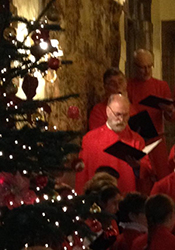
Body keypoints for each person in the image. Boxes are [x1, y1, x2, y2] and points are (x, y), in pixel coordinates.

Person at [75, 94, 154, 195]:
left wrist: (138, 166)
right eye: (118, 114)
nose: (121, 119)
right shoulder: (89, 139)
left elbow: (147, 171)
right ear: (108, 111)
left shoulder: (137, 140)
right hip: (98, 199)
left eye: (125, 115)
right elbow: (82, 175)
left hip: (126, 199)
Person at [127, 49, 175, 180]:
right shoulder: (128, 85)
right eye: (142, 67)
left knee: (162, 176)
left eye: (149, 66)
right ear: (134, 66)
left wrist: (169, 110)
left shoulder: (161, 86)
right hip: (137, 138)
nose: (147, 70)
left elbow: (171, 118)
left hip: (157, 139)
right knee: (141, 178)